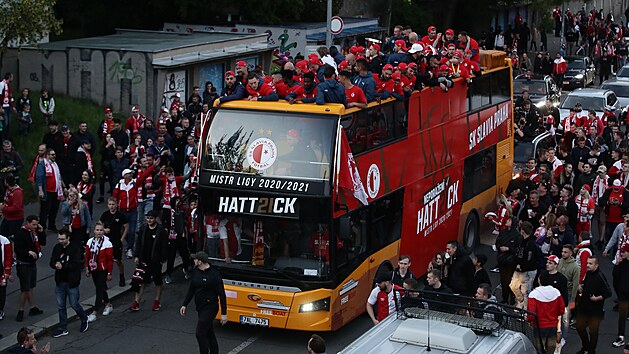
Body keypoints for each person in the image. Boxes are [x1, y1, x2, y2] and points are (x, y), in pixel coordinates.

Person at [180, 252, 227, 354]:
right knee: (209, 332)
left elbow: (222, 294)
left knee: (200, 333)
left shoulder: (214, 275)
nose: (194, 260)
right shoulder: (196, 272)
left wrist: (224, 313)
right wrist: (184, 304)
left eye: (195, 259)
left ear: (200, 262)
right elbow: (191, 290)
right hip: (200, 307)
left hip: (210, 307)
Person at [49, 228, 89, 337]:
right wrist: (55, 265)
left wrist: (63, 266)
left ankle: (84, 318)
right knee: (61, 306)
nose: (60, 241)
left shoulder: (75, 248)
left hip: (72, 282)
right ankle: (63, 327)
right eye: (59, 239)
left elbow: (76, 264)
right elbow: (52, 261)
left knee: (74, 304)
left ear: (68, 238)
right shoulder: (57, 248)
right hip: (60, 281)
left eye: (63, 239)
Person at [130, 210, 168, 311]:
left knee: (158, 281)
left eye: (151, 218)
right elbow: (138, 243)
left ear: (155, 219)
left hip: (155, 261)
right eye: (148, 218)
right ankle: (136, 301)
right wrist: (137, 256)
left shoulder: (161, 231)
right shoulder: (143, 228)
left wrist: (162, 259)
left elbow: (164, 246)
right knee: (140, 281)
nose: (149, 220)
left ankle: (157, 301)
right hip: (144, 259)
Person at [576, 256, 612, 354]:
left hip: (595, 311)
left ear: (596, 265)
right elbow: (586, 284)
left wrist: (597, 298)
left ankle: (591, 351)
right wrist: (582, 287)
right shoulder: (588, 273)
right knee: (579, 327)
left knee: (593, 332)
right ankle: (586, 347)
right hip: (584, 307)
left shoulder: (600, 276)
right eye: (587, 263)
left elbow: (608, 293)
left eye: (590, 264)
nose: (587, 265)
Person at [14, 215, 44, 322]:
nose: (35, 226)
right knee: (24, 288)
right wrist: (28, 252)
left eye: (36, 224)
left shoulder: (34, 233)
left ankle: (32, 307)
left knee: (31, 286)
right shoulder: (20, 233)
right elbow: (18, 249)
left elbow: (43, 242)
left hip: (31, 263)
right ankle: (21, 310)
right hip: (23, 264)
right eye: (33, 224)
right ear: (28, 223)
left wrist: (41, 232)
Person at [527, 272, 565, 353]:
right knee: (551, 348)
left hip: (539, 326)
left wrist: (530, 321)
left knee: (539, 348)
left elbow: (531, 314)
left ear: (539, 281)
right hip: (553, 325)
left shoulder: (534, 294)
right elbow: (561, 309)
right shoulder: (556, 292)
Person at [84, 222, 114, 322]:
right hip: (93, 268)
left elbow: (109, 259)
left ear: (103, 231)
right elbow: (87, 255)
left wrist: (109, 273)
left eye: (101, 230)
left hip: (103, 269)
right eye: (97, 230)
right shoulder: (90, 242)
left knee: (99, 289)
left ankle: (95, 312)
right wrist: (87, 268)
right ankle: (108, 304)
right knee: (100, 287)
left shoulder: (107, 243)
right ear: (94, 231)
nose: (99, 232)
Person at [510, 221, 540, 309]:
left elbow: (529, 259)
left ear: (522, 231)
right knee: (513, 286)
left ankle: (526, 311)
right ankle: (521, 301)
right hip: (518, 269)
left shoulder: (531, 244)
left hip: (528, 271)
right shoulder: (522, 240)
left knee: (526, 292)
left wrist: (521, 266)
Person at [99, 197, 128, 287]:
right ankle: (105, 279)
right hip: (106, 240)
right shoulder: (105, 214)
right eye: (110, 204)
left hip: (116, 240)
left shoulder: (120, 215)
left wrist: (122, 239)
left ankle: (122, 276)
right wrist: (103, 230)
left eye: (113, 204)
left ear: (116, 205)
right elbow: (99, 224)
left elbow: (126, 227)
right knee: (105, 259)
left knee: (118, 260)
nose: (111, 206)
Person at [36, 148, 64, 234]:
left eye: (54, 154)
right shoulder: (42, 165)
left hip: (56, 191)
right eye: (52, 154)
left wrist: (64, 187)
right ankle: (42, 227)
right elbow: (39, 177)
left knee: (54, 209)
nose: (54, 156)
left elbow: (59, 177)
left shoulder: (55, 164)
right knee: (45, 211)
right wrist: (40, 190)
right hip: (47, 191)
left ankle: (52, 226)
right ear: (47, 156)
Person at [612, 244, 629, 348]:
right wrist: (617, 264)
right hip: (623, 295)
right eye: (621, 252)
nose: (621, 254)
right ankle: (621, 337)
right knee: (622, 316)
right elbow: (615, 276)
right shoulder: (621, 263)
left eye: (624, 252)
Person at [0, 175, 24, 240]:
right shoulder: (8, 190)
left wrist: (3, 208)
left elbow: (16, 208)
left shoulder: (17, 193)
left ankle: (14, 249)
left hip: (15, 219)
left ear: (6, 182)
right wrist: (2, 210)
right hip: (8, 217)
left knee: (13, 238)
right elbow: (6, 201)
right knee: (2, 235)